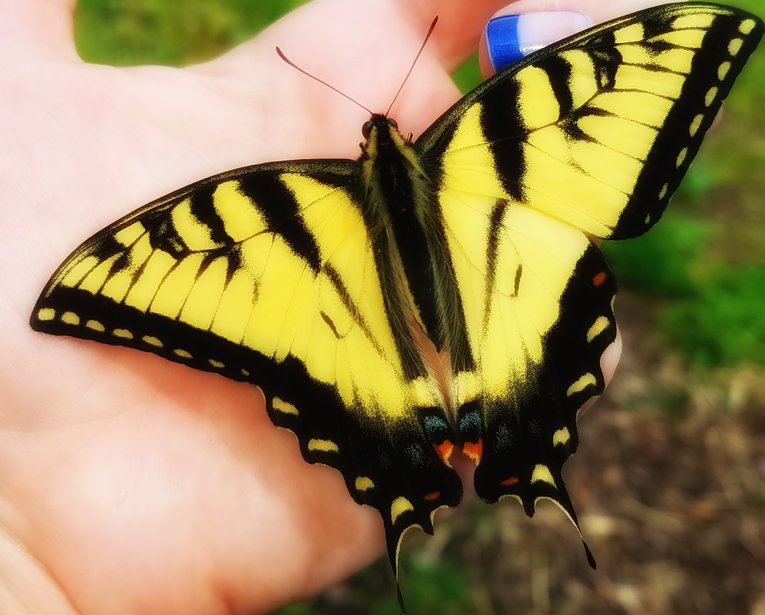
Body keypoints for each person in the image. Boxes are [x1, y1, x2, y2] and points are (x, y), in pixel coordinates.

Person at [0, 0, 652, 612]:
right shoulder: (477, 146)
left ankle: (465, 433)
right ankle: (489, 427)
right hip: (485, 307)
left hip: (363, 343)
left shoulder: (274, 211)